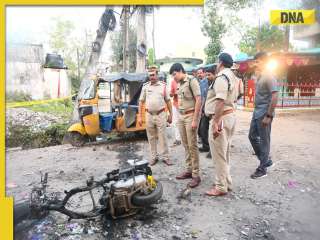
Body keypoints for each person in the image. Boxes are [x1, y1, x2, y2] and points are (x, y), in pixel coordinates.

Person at [204, 53, 238, 196]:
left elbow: (220, 100)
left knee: (218, 154)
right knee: (224, 153)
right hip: (229, 116)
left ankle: (220, 186)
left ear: (220, 62)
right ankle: (226, 182)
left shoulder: (222, 77)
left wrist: (216, 122)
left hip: (221, 118)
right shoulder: (233, 76)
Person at [169, 63, 202, 188]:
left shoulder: (191, 81)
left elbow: (199, 99)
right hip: (181, 116)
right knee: (185, 144)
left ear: (180, 71)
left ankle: (196, 175)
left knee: (192, 145)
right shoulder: (180, 84)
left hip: (190, 116)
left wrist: (195, 120)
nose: (174, 78)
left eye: (174, 74)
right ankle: (189, 170)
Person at [249, 52, 279, 179]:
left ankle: (262, 169)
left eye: (257, 61)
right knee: (251, 136)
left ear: (264, 61)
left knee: (264, 141)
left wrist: (269, 115)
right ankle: (265, 160)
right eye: (255, 61)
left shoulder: (269, 76)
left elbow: (275, 95)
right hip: (257, 113)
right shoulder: (260, 76)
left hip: (264, 114)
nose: (255, 64)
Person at [138, 66, 173, 166]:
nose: (151, 77)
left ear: (157, 74)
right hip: (148, 115)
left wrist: (171, 115)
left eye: (153, 75)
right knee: (151, 137)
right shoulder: (145, 87)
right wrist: (140, 116)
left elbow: (168, 101)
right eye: (150, 75)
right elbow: (141, 102)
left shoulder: (163, 86)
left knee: (163, 137)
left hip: (161, 114)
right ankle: (154, 157)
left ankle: (165, 157)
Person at [202, 65, 217, 159]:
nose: (207, 77)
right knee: (203, 130)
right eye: (206, 75)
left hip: (214, 113)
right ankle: (206, 147)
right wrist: (202, 110)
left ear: (214, 74)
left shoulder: (218, 83)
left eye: (209, 75)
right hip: (206, 111)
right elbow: (203, 97)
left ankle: (213, 151)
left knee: (213, 134)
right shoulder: (203, 83)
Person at [197, 67, 210, 153]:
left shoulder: (209, 82)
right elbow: (200, 97)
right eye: (198, 73)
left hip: (208, 108)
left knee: (204, 128)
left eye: (201, 73)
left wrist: (202, 109)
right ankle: (206, 145)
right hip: (203, 108)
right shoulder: (200, 83)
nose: (199, 75)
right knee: (201, 129)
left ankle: (208, 147)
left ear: (204, 73)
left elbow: (205, 97)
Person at [170, 76, 181, 146]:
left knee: (184, 122)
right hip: (175, 104)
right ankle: (178, 139)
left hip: (184, 105)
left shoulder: (185, 81)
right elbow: (171, 94)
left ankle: (185, 138)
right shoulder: (173, 82)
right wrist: (172, 93)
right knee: (176, 122)